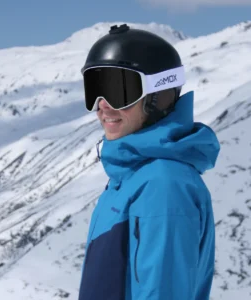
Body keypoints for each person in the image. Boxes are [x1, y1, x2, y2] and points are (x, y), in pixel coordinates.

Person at [78, 24, 220, 300]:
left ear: (159, 95)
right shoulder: (130, 176)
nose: (103, 105)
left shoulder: (164, 185)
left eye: (119, 90)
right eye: (95, 89)